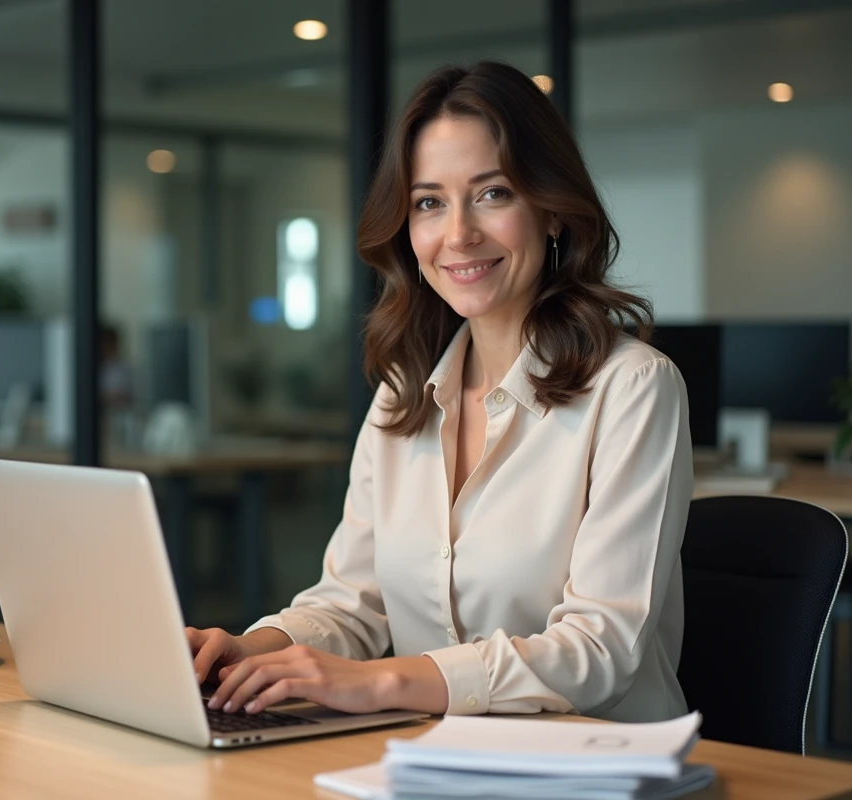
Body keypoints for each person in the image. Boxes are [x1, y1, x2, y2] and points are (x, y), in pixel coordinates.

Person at [188, 61, 693, 723]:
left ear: (551, 212)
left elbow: (599, 651)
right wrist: (253, 651)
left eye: (492, 194)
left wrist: (379, 684)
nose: (458, 234)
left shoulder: (633, 390)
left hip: (597, 772)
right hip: (436, 767)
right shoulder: (404, 397)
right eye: (429, 202)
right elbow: (352, 603)